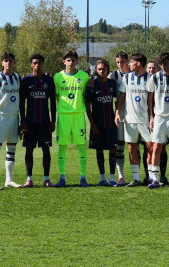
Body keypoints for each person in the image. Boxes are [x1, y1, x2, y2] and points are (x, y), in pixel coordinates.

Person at [53, 50, 91, 187]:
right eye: (68, 60)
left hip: (78, 116)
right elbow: (55, 96)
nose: (71, 62)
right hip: (63, 116)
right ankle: (62, 178)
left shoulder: (84, 76)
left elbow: (88, 94)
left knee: (81, 146)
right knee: (62, 147)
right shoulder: (57, 77)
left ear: (76, 61)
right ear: (64, 62)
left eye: (73, 60)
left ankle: (83, 177)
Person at [115, 53, 152, 187]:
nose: (129, 64)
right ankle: (136, 178)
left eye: (131, 62)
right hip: (130, 120)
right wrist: (118, 112)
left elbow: (151, 101)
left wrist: (152, 117)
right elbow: (122, 96)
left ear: (139, 63)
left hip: (145, 120)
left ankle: (152, 177)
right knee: (131, 148)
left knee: (150, 148)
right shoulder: (127, 78)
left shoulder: (150, 79)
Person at [19, 53, 56, 187]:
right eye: (34, 63)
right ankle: (29, 179)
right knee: (29, 149)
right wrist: (22, 121)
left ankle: (46, 179)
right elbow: (22, 103)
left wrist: (53, 121)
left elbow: (52, 103)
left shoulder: (49, 81)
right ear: (31, 64)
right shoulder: (26, 81)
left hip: (44, 122)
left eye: (39, 63)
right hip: (30, 122)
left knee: (46, 149)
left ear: (42, 64)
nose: (37, 65)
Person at [0, 52, 22, 190]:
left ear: (14, 62)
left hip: (14, 117)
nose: (8, 63)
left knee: (11, 149)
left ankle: (9, 180)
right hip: (0, 117)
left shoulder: (18, 78)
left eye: (10, 60)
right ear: (2, 63)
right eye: (5, 61)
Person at [146, 52, 169, 189]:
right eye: (161, 64)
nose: (163, 66)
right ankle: (154, 179)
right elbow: (150, 99)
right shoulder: (154, 78)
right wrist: (151, 117)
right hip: (159, 117)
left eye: (165, 63)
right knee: (157, 147)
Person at [85, 59, 118, 187]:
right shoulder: (92, 85)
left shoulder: (112, 83)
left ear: (108, 70)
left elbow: (120, 99)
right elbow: (87, 106)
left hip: (110, 124)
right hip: (97, 124)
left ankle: (113, 178)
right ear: (96, 71)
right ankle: (102, 177)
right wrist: (92, 124)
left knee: (112, 150)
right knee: (99, 151)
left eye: (104, 69)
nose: (102, 71)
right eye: (99, 69)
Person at [107, 51, 130, 185]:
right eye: (117, 62)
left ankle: (137, 175)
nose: (120, 64)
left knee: (134, 146)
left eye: (122, 61)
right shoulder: (114, 75)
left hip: (135, 113)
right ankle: (121, 175)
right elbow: (103, 81)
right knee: (120, 144)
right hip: (120, 114)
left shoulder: (134, 74)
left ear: (127, 60)